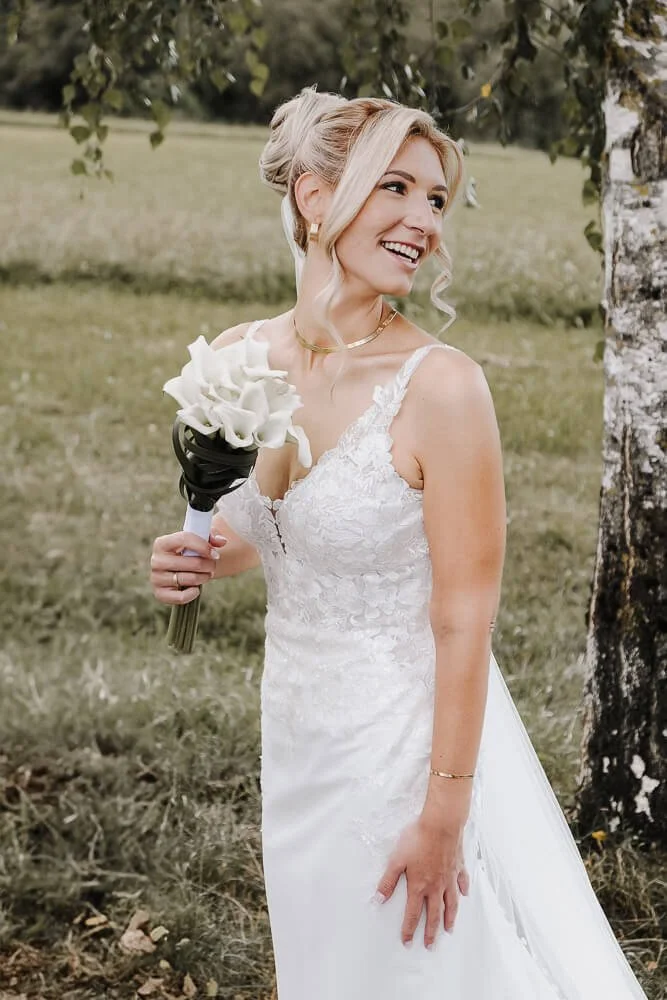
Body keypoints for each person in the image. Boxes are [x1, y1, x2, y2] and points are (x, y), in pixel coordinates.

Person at [150, 88, 648, 999]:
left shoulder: (442, 388)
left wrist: (444, 814)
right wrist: (197, 555)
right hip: (300, 740)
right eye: (397, 189)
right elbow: (272, 534)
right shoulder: (238, 359)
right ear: (314, 197)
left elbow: (464, 616)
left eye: (434, 199)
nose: (423, 220)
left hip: (407, 750)